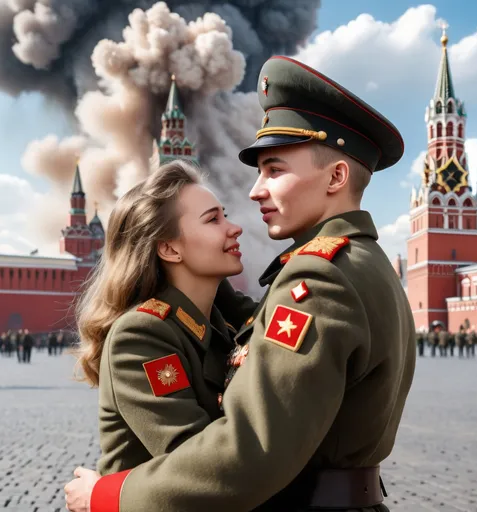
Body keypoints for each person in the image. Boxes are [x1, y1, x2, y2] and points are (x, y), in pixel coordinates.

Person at [65, 56, 416, 512]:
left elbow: (245, 453)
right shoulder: (364, 262)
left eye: (274, 170)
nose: (253, 192)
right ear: (168, 248)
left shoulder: (320, 277)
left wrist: (108, 497)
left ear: (336, 176)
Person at [71, 160, 251, 483]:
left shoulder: (220, 324)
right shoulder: (140, 334)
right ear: (169, 248)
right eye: (213, 220)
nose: (233, 227)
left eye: (224, 214)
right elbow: (199, 467)